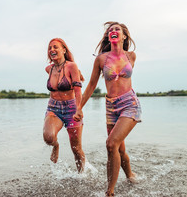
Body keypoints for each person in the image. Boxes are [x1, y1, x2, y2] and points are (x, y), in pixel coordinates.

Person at [74, 21, 142, 196]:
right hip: (111, 106)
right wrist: (79, 107)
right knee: (119, 148)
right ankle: (130, 175)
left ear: (124, 36)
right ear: (108, 37)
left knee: (111, 144)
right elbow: (90, 85)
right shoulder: (101, 59)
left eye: (117, 29)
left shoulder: (131, 56)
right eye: (110, 30)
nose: (113, 31)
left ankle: (110, 191)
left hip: (129, 104)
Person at [43, 38, 85, 173]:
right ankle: (56, 146)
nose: (52, 50)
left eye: (55, 47)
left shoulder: (72, 66)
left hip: (72, 109)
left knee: (76, 149)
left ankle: (81, 175)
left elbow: (78, 91)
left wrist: (79, 109)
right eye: (50, 48)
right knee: (48, 137)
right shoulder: (49, 69)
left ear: (64, 50)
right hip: (53, 108)